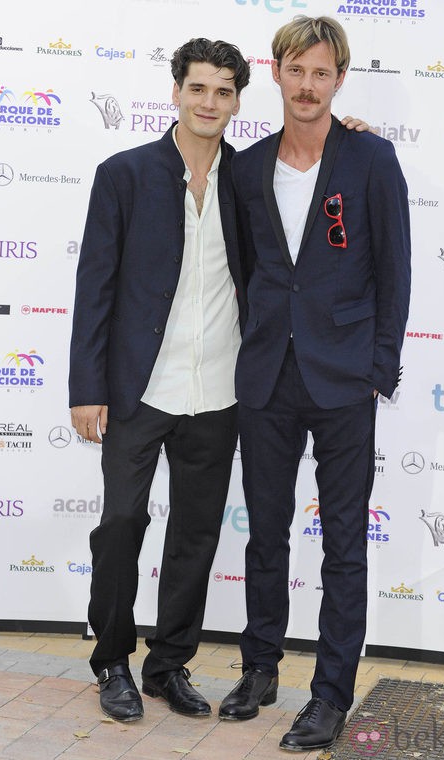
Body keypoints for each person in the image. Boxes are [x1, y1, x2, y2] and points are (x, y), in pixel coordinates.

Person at [69, 35, 369, 724]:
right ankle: (110, 657)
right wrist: (87, 387)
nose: (210, 102)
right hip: (137, 388)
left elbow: (312, 184)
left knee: (198, 533)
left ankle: (167, 662)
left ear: (239, 99)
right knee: (121, 523)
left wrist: (353, 134)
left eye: (224, 91)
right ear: (176, 91)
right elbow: (95, 289)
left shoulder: (246, 177)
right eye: (198, 88)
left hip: (222, 389)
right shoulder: (124, 173)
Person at [218, 15, 411, 753]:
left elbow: (395, 271)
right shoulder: (246, 167)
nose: (307, 85)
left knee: (343, 546)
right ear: (276, 73)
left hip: (343, 382)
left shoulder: (371, 159)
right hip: (266, 376)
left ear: (338, 79)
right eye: (296, 71)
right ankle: (260, 668)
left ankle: (330, 694)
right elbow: (245, 272)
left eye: (321, 73)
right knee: (265, 535)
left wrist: (377, 369)